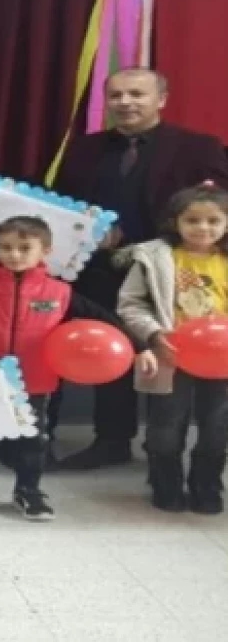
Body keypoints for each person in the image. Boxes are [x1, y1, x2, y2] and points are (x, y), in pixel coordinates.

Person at [0, 69, 228, 471]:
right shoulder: (83, 147)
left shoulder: (199, 147)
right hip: (93, 268)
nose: (125, 102)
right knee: (99, 346)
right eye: (116, 95)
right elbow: (46, 196)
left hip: (166, 270)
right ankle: (96, 440)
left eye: (136, 94)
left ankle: (164, 455)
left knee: (162, 357)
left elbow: (216, 207)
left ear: (161, 99)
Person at [0, 216, 156, 522]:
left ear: (45, 251)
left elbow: (105, 319)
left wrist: (140, 347)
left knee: (33, 440)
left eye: (24, 248)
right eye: (5, 247)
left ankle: (28, 490)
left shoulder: (59, 293)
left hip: (35, 379)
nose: (14, 254)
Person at [118, 184, 228, 513]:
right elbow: (131, 304)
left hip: (222, 360)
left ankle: (207, 483)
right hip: (171, 355)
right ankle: (165, 481)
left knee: (218, 425)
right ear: (175, 222)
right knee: (166, 425)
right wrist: (153, 334)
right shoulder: (153, 257)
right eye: (192, 220)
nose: (203, 228)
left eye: (213, 220)